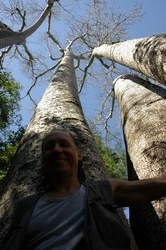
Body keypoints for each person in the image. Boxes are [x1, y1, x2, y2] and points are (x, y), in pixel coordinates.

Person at [2, 129, 166, 250]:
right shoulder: (25, 206)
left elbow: (153, 186)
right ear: (43, 160)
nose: (57, 150)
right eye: (49, 147)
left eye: (64, 144)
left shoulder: (102, 190)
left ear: (79, 154)